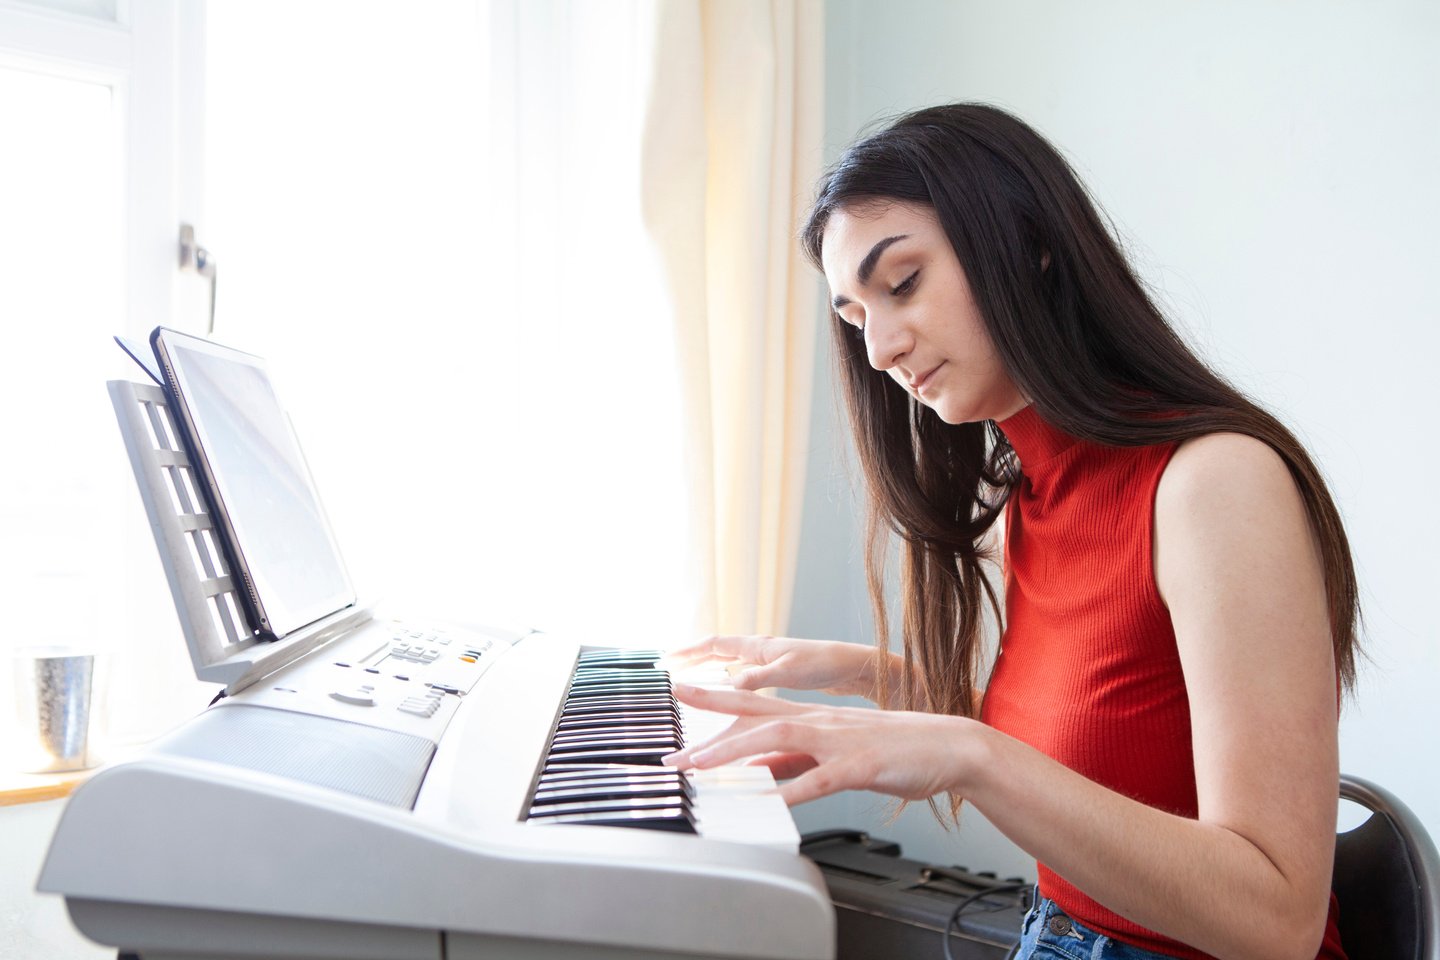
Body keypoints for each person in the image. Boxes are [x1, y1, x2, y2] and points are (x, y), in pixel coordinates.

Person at [660, 104, 1357, 960]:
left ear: (1030, 245)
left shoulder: (1213, 483)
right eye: (852, 316)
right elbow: (1094, 743)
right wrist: (873, 677)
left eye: (903, 283)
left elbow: (1277, 920)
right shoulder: (1027, 497)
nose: (877, 348)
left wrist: (968, 752)